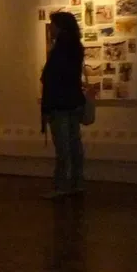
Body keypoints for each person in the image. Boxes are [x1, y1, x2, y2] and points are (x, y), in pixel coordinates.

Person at [40, 11, 87, 197]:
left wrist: (46, 107)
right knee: (74, 143)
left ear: (60, 27)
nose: (50, 28)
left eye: (53, 25)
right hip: (74, 101)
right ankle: (77, 181)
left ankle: (61, 185)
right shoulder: (76, 47)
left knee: (62, 146)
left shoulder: (60, 50)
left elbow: (51, 79)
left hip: (59, 103)